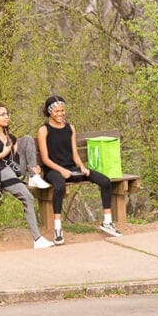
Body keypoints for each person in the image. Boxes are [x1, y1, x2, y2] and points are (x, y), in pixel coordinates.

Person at [36, 94, 121, 245]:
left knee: (105, 181)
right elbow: (45, 159)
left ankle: (107, 222)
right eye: (57, 111)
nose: (61, 114)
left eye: (63, 111)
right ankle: (58, 228)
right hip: (53, 171)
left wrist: (82, 167)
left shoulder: (70, 128)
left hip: (72, 168)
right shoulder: (44, 130)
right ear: (50, 112)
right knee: (60, 186)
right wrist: (61, 170)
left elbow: (74, 153)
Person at [0, 104, 55, 249]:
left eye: (7, 113)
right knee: (28, 197)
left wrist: (34, 166)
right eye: (2, 114)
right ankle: (37, 239)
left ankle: (33, 175)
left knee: (26, 139)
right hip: (0, 172)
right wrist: (2, 153)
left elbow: (17, 158)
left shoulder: (10, 137)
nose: (7, 117)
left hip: (14, 169)